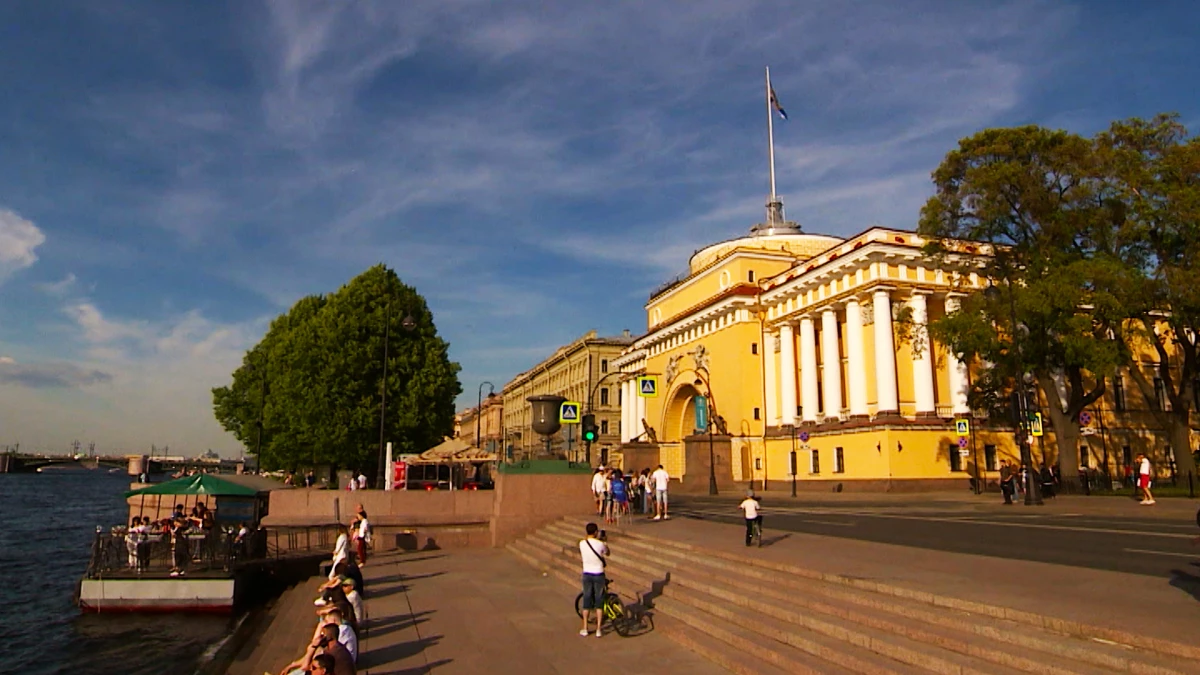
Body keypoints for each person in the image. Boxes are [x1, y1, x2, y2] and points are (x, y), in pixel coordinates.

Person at [578, 522, 608, 638]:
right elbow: (607, 553)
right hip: (599, 573)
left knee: (587, 599)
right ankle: (598, 629)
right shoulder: (600, 544)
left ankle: (585, 627)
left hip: (587, 573)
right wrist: (604, 541)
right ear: (596, 532)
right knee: (599, 601)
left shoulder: (582, 543)